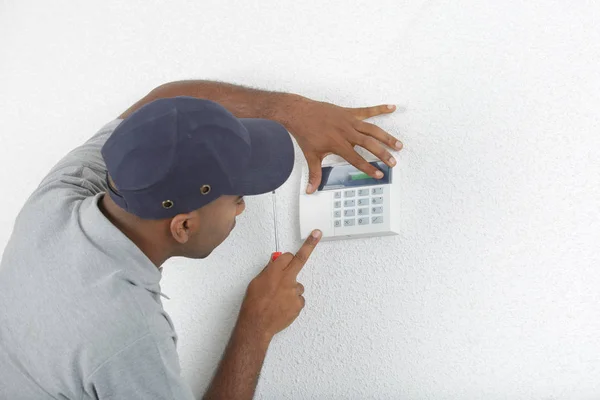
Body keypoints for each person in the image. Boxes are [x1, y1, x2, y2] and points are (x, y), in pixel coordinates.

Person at [0, 81, 402, 399]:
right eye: (238, 198)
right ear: (184, 227)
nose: (242, 211)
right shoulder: (127, 336)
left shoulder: (58, 197)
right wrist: (255, 326)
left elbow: (162, 105)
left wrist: (292, 112)